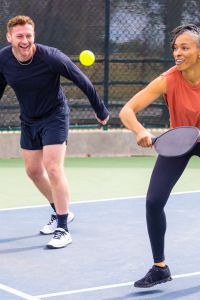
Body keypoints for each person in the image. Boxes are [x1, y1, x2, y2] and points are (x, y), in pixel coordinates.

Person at [0, 15, 109, 249]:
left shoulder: (51, 57)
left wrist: (100, 110)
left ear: (33, 36)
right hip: (29, 120)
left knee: (52, 167)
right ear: (9, 37)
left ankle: (63, 229)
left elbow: (81, 80)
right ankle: (61, 212)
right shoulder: (3, 59)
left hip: (55, 116)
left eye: (29, 35)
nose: (25, 40)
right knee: (33, 171)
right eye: (19, 36)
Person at [119, 23, 200, 288]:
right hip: (180, 141)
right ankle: (160, 267)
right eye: (175, 48)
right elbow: (127, 110)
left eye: (185, 48)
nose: (178, 53)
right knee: (154, 202)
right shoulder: (168, 79)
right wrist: (140, 131)